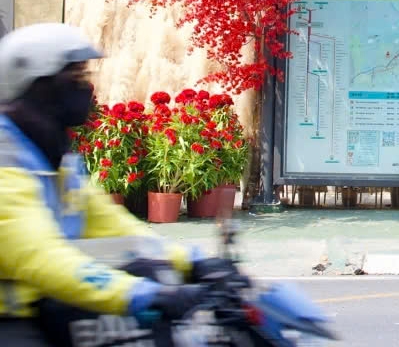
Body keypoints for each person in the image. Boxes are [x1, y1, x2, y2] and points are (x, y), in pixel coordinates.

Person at [0, 23, 237, 345]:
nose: (87, 87)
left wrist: (193, 261)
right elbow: (39, 256)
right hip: (12, 322)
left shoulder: (52, 153)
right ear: (39, 86)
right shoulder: (7, 158)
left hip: (46, 306)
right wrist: (140, 294)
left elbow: (116, 227)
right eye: (75, 78)